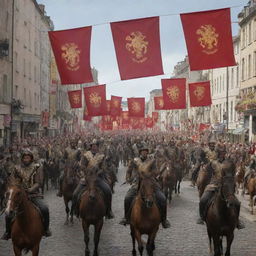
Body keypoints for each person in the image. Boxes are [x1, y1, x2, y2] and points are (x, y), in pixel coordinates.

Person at [1, 149, 51, 240]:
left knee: (44, 208)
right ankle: (8, 231)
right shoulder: (16, 168)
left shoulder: (37, 167)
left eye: (28, 157)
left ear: (31, 158)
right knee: (8, 212)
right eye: (25, 157)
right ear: (22, 158)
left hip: (33, 194)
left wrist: (30, 189)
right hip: (18, 194)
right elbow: (12, 180)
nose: (26, 159)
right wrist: (16, 188)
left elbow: (38, 182)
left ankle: (46, 229)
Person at [119, 143, 171, 228]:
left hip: (150, 183)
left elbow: (156, 171)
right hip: (137, 183)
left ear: (147, 152)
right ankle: (126, 217)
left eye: (145, 151)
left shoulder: (152, 161)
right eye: (143, 151)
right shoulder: (135, 161)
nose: (144, 153)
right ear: (140, 152)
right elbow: (129, 171)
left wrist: (149, 174)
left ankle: (164, 220)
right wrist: (128, 178)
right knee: (127, 198)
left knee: (162, 198)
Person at [197, 144, 245, 229]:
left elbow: (233, 175)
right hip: (214, 185)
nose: (222, 154)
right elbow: (207, 175)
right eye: (221, 153)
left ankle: (237, 221)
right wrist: (207, 185)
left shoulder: (229, 163)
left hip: (226, 187)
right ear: (218, 153)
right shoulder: (212, 163)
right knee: (203, 200)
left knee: (237, 203)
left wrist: (232, 184)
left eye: (223, 153)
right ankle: (202, 217)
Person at [71, 139, 114, 219]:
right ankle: (76, 211)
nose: (94, 147)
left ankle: (109, 211)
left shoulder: (101, 156)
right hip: (87, 178)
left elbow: (103, 167)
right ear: (91, 147)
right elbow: (82, 165)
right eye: (92, 146)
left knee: (108, 191)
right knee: (75, 194)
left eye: (95, 146)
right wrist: (87, 171)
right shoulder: (86, 155)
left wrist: (98, 172)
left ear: (98, 147)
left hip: (98, 178)